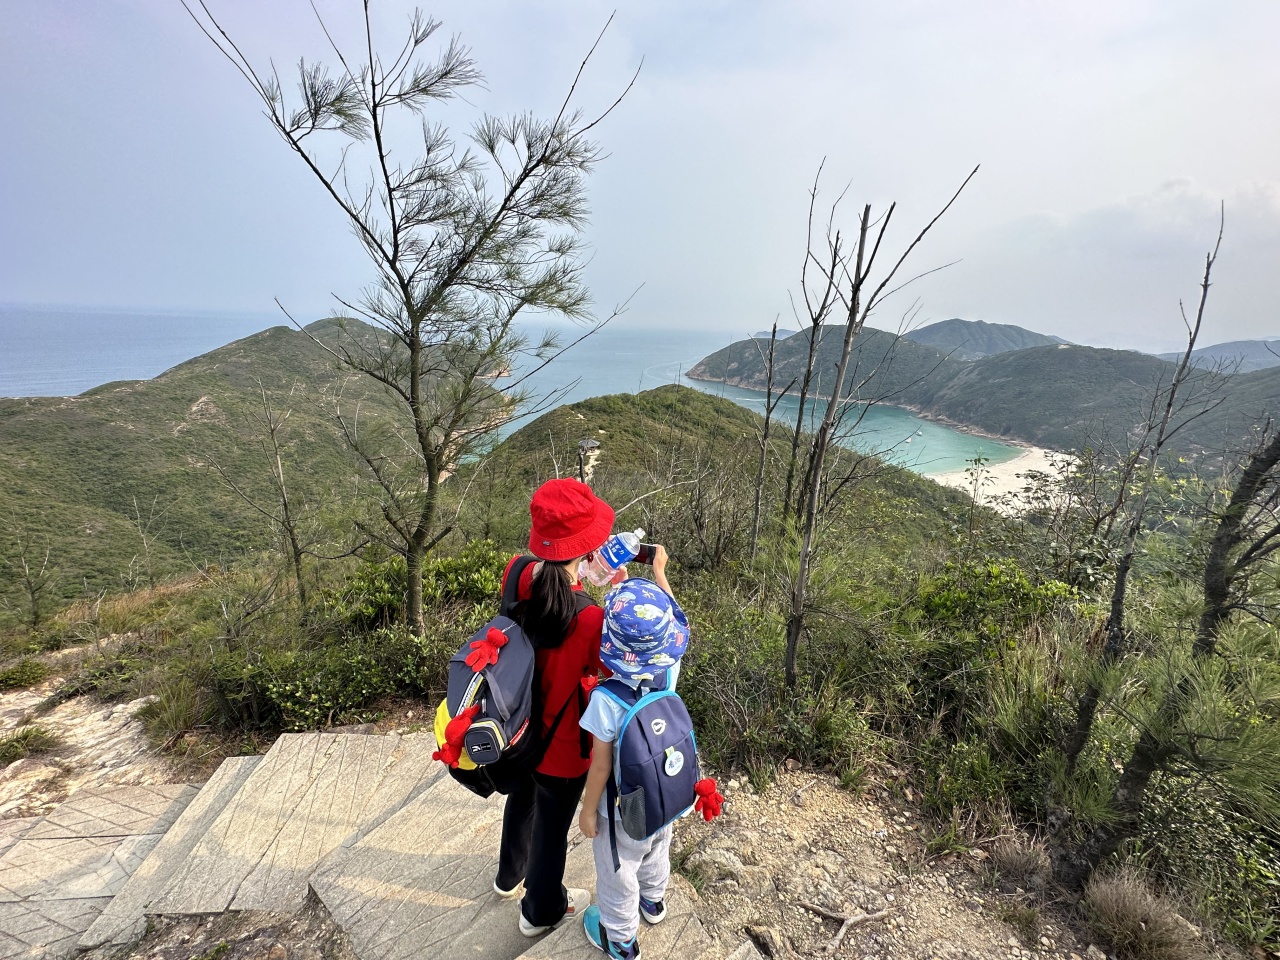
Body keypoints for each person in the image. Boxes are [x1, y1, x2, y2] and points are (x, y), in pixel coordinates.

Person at [494, 477, 615, 937]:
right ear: (585, 548)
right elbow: (612, 670)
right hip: (562, 748)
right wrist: (616, 589)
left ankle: (509, 875)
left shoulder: (518, 572)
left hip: (518, 729)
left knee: (522, 798)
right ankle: (539, 910)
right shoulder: (591, 618)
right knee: (551, 827)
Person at [576, 547, 689, 959]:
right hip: (665, 790)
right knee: (658, 844)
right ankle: (653, 902)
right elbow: (671, 620)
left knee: (618, 868)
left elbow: (600, 766)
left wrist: (588, 811)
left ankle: (621, 939)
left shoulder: (606, 700)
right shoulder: (667, 671)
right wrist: (659, 571)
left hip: (621, 808)